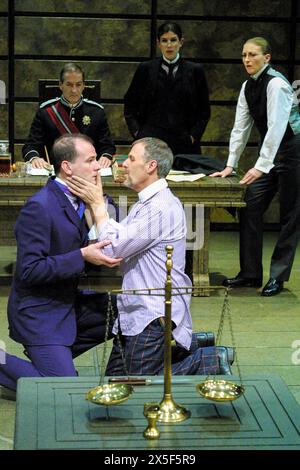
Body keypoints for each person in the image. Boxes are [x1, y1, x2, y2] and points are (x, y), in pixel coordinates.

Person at [67, 137, 235, 376]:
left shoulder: (159, 208)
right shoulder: (148, 203)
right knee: (115, 383)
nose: (124, 164)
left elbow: (113, 250)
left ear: (151, 166)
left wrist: (97, 205)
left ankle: (209, 360)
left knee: (135, 387)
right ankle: (194, 344)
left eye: (132, 158)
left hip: (152, 313)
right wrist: (98, 205)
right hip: (137, 309)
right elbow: (121, 238)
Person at [0, 134, 122, 392]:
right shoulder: (40, 206)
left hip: (70, 303)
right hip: (40, 312)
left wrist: (98, 203)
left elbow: (114, 239)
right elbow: (30, 270)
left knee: (134, 311)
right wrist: (81, 256)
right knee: (61, 386)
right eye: (90, 161)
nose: (98, 166)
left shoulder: (96, 198)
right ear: (67, 167)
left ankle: (62, 358)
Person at [211, 37, 300, 296]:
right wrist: (231, 164)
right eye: (244, 55)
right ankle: (250, 273)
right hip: (272, 152)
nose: (247, 60)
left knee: (290, 214)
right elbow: (241, 127)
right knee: (251, 202)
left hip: (293, 150)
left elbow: (277, 127)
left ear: (267, 58)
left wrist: (261, 166)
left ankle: (278, 276)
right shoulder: (247, 86)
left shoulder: (277, 85)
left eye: (252, 55)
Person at [123, 22, 210, 157]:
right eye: (164, 40)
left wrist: (193, 136)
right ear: (158, 43)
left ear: (181, 42)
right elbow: (130, 103)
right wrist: (137, 132)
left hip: (184, 142)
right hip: (151, 140)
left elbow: (204, 110)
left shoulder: (195, 71)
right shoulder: (145, 69)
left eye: (173, 40)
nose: (169, 45)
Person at [22, 62, 116, 169]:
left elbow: (107, 146)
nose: (74, 90)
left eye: (78, 84)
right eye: (69, 84)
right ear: (60, 85)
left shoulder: (96, 112)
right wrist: (35, 158)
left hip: (88, 172)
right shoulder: (46, 112)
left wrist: (105, 157)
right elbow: (30, 145)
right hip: (55, 172)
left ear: (84, 86)